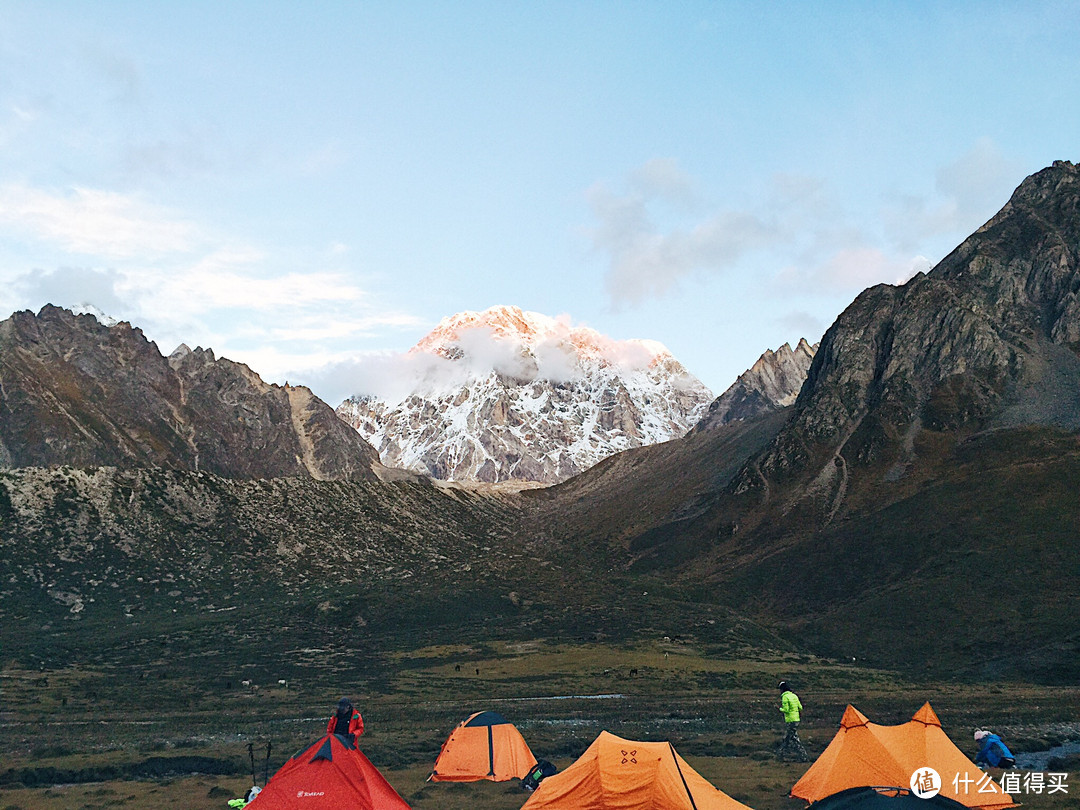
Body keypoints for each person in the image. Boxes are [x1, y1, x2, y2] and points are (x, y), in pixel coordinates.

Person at [777, 681, 809, 762]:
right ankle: (780, 755)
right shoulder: (794, 696)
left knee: (793, 739)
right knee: (788, 738)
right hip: (796, 719)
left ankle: (804, 756)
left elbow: (786, 710)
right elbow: (800, 707)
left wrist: (779, 709)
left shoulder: (785, 697)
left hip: (790, 720)